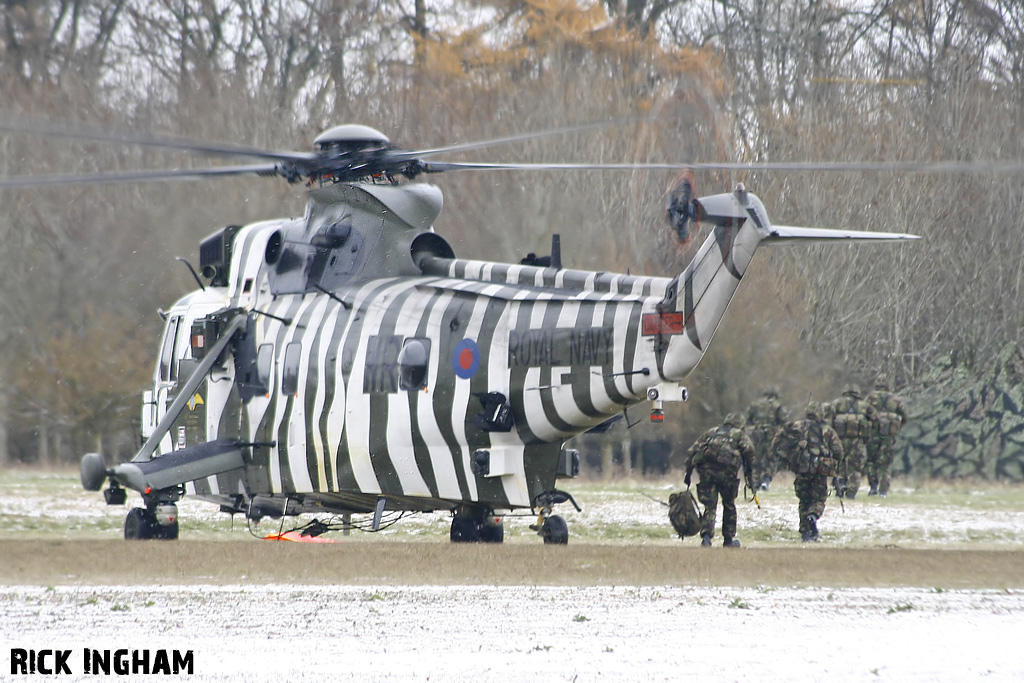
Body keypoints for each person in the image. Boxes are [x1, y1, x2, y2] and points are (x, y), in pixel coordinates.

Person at [773, 402, 843, 541]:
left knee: (804, 500)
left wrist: (786, 456)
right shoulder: (827, 430)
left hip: (802, 468)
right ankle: (813, 516)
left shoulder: (797, 426)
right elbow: (838, 451)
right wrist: (834, 466)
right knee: (819, 498)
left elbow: (777, 441)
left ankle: (805, 533)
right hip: (821, 470)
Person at [684, 413, 755, 548]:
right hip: (727, 475)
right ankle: (728, 540)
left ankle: (706, 538)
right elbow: (749, 450)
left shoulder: (712, 432)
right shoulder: (739, 434)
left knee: (709, 506)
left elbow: (692, 450)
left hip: (707, 473)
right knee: (729, 505)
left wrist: (688, 473)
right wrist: (749, 470)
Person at [829, 385, 879, 499]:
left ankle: (840, 484)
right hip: (858, 440)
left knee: (838, 463)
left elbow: (829, 420)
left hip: (839, 439)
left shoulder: (837, 403)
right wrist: (869, 431)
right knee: (856, 467)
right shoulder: (865, 406)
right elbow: (876, 419)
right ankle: (851, 492)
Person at [865, 375, 909, 497]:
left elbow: (863, 413)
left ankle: (873, 487)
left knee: (871, 461)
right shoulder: (895, 399)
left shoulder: (870, 398)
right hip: (888, 435)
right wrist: (896, 428)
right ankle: (883, 490)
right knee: (885, 462)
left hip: (873, 434)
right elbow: (905, 416)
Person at [743, 386, 790, 490]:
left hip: (756, 435)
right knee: (771, 458)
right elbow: (785, 422)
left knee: (756, 458)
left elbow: (746, 420)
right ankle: (766, 479)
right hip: (772, 436)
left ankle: (755, 481)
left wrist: (751, 429)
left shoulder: (754, 405)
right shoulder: (778, 406)